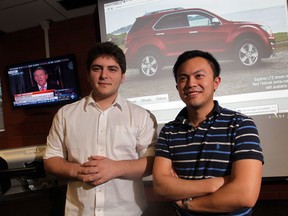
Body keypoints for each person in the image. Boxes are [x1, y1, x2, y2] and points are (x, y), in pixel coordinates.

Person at [43, 41, 158, 216]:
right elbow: (51, 159)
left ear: (123, 76)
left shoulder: (142, 116)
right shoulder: (65, 114)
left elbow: (151, 162)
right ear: (88, 75)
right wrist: (76, 170)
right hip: (79, 212)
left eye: (112, 69)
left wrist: (115, 168)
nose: (104, 75)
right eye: (97, 68)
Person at [152, 50, 264, 216]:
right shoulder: (169, 131)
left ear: (216, 82)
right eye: (183, 78)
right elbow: (161, 187)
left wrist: (188, 204)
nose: (190, 83)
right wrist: (214, 184)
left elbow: (244, 195)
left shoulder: (240, 124)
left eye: (199, 76)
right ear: (177, 87)